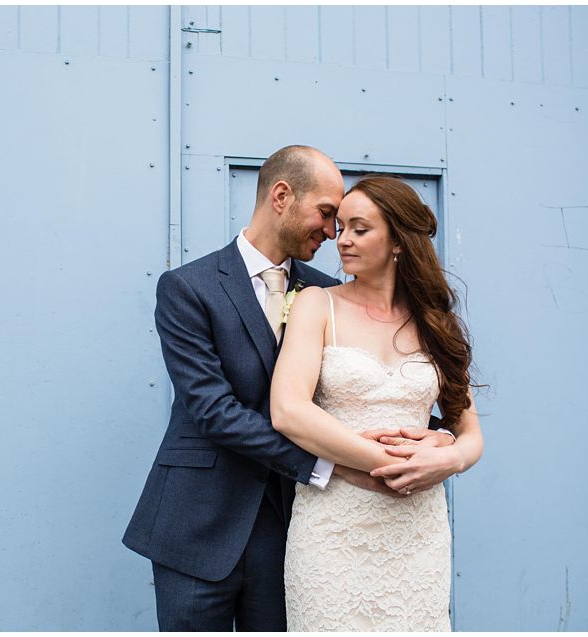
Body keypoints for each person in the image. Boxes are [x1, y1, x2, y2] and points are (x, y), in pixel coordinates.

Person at [123, 146, 459, 631]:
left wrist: (439, 436)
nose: (331, 232)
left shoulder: (326, 294)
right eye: (327, 214)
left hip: (286, 527)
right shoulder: (188, 287)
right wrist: (331, 464)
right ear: (281, 196)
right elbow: (213, 410)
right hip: (198, 519)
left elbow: (361, 394)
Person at [270, 174, 485, 631]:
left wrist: (448, 461)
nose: (340, 240)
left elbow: (470, 433)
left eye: (359, 229)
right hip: (334, 527)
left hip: (418, 532)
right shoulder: (316, 304)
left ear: (398, 242)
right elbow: (288, 410)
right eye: (340, 227)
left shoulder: (435, 322)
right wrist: (387, 466)